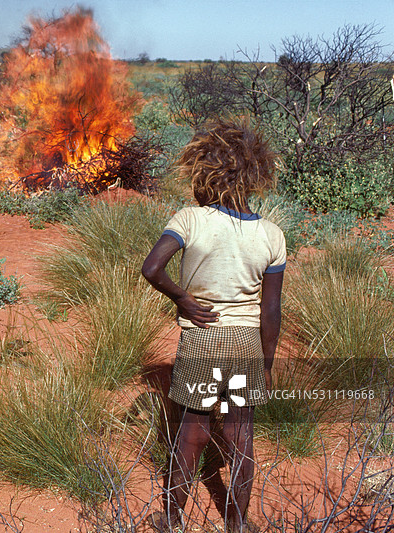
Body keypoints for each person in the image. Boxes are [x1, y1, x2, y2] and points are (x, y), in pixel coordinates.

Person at [142, 118, 285, 533]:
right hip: (246, 343)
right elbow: (270, 311)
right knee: (241, 437)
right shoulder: (271, 234)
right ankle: (237, 524)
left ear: (205, 173)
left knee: (193, 431)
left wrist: (184, 299)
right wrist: (267, 363)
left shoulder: (190, 219)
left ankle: (172, 519)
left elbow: (152, 268)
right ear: (254, 176)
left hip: (202, 340)